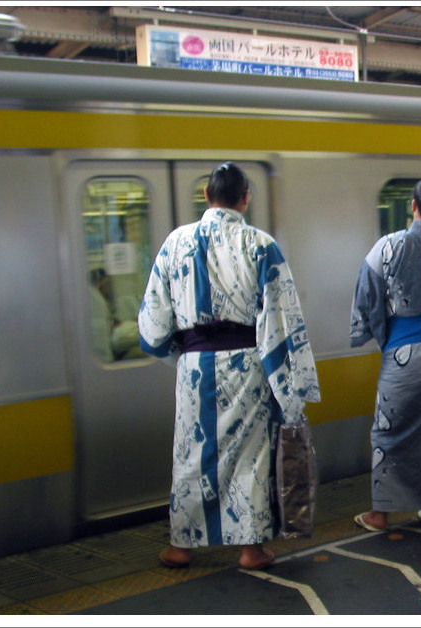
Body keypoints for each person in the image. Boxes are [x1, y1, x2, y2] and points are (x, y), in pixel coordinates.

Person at [138, 161, 320, 570]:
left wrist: (180, 354)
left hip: (195, 366)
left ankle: (181, 547)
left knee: (191, 455)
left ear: (206, 196)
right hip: (249, 366)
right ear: (246, 199)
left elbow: (153, 320)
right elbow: (281, 317)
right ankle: (251, 550)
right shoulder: (261, 245)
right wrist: (290, 387)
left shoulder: (176, 243)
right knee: (250, 457)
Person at [350, 172, 421, 533]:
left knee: (389, 431)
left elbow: (367, 300)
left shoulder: (387, 247)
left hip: (402, 353)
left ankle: (381, 513)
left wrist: (382, 337)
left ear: (413, 206)